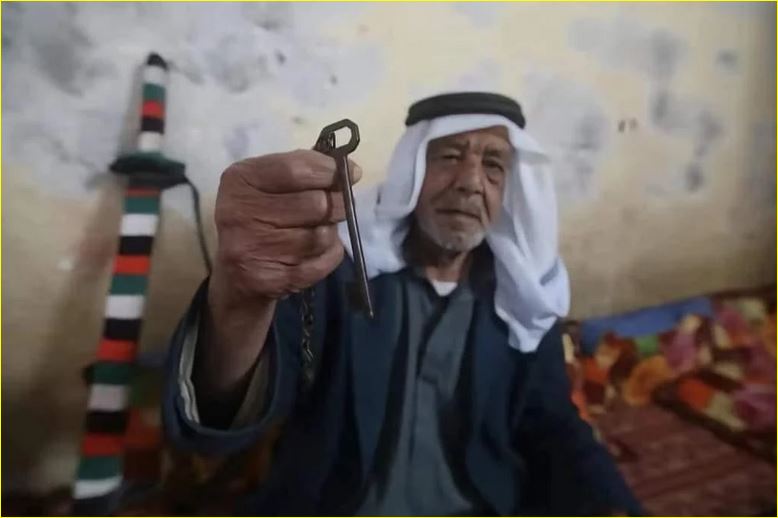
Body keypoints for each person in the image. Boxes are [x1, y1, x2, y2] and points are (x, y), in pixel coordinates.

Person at [163, 92, 641, 515]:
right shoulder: (337, 271)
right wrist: (239, 299)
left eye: (493, 165)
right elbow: (227, 411)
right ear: (412, 170)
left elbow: (554, 426)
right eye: (450, 156)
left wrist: (612, 505)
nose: (470, 181)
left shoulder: (523, 297)